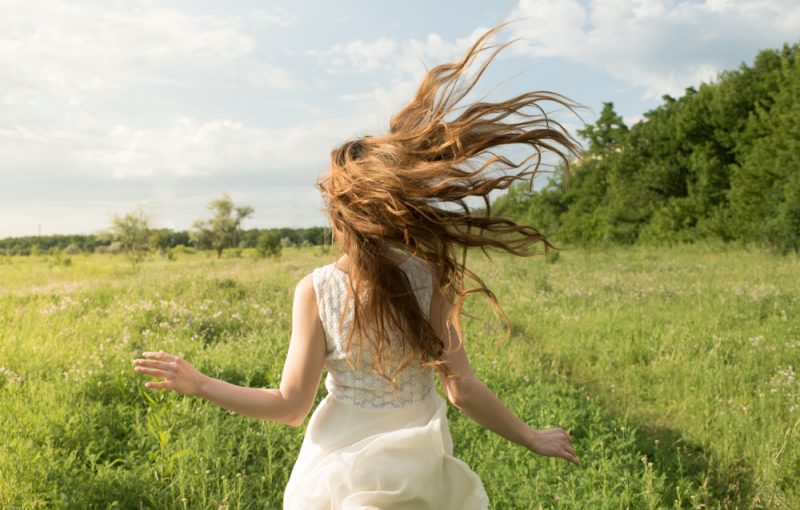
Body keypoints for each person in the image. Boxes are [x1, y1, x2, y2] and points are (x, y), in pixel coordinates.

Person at [133, 24, 581, 509]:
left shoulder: (316, 289)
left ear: (340, 214)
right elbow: (463, 390)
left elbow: (290, 407)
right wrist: (532, 436)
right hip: (415, 468)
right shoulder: (431, 276)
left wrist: (201, 384)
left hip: (335, 471)